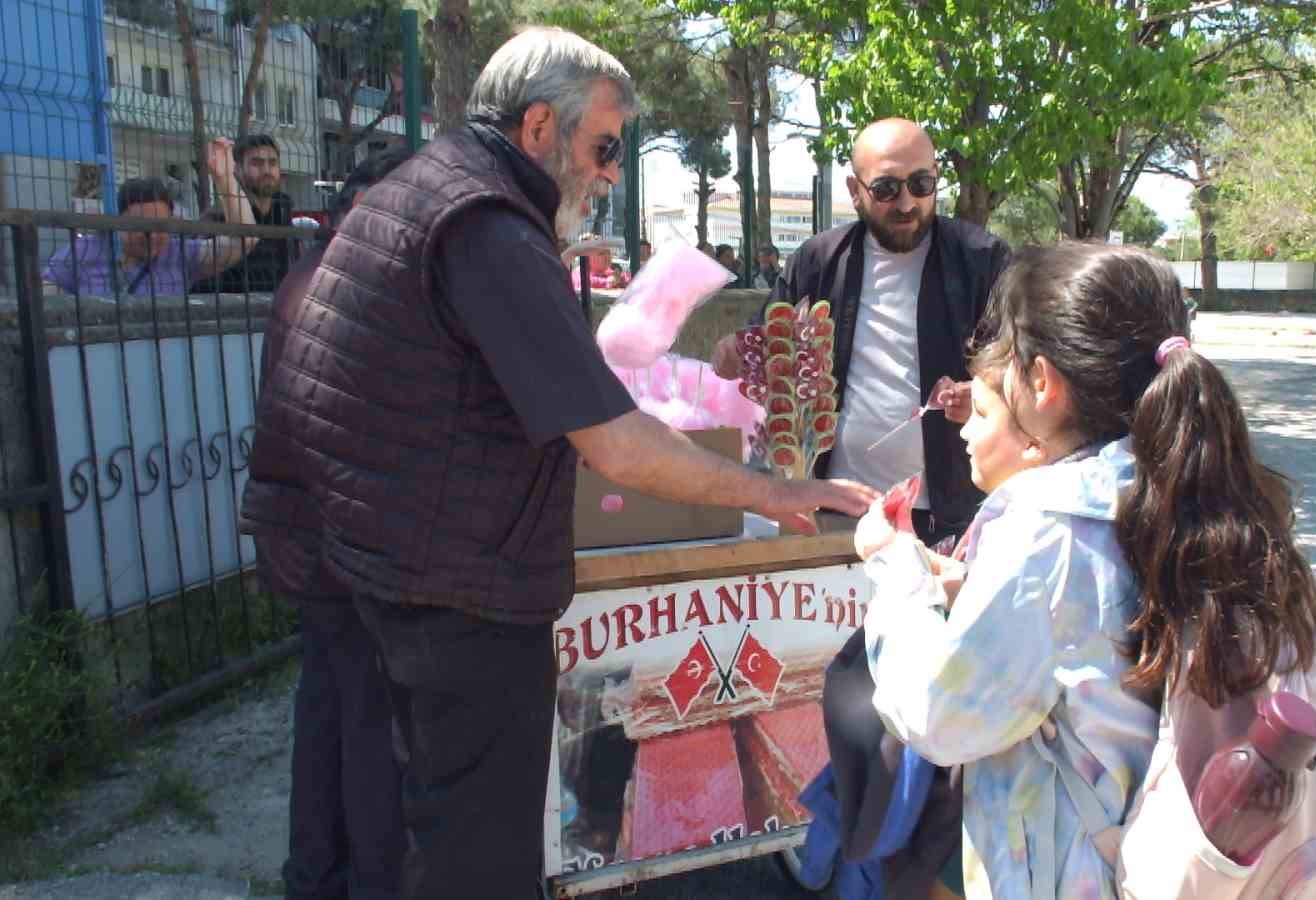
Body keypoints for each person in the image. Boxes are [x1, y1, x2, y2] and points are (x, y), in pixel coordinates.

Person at [238, 28, 873, 899]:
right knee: (477, 854)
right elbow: (612, 437)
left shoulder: (433, 194)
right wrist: (773, 491)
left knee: (418, 828)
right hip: (448, 589)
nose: (612, 172)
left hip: (384, 561)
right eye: (605, 148)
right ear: (538, 126)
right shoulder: (485, 222)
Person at [852, 244, 1165, 897]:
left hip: (1077, 870)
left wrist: (894, 568)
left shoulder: (1051, 533)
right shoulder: (1168, 482)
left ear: (1043, 384)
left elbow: (943, 714)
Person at [712, 118, 1010, 543]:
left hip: (948, 516)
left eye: (922, 184)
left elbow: (1021, 366)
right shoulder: (817, 261)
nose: (907, 203)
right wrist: (734, 350)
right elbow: (765, 339)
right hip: (836, 509)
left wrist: (983, 395)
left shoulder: (983, 259)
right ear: (855, 192)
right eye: (887, 189)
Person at [250, 146, 414, 900]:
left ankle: (313, 876)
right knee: (370, 726)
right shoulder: (364, 285)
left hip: (301, 531)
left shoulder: (307, 275)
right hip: (350, 541)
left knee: (324, 709)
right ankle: (372, 883)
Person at [43, 139, 257, 296]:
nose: (151, 235)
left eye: (160, 225)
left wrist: (226, 180)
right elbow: (45, 297)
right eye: (140, 225)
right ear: (117, 221)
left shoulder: (180, 253)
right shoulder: (83, 251)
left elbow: (245, 240)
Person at [193, 133, 295, 294]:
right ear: (237, 169)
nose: (267, 170)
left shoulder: (282, 211)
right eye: (257, 163)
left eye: (273, 163)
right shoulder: (218, 218)